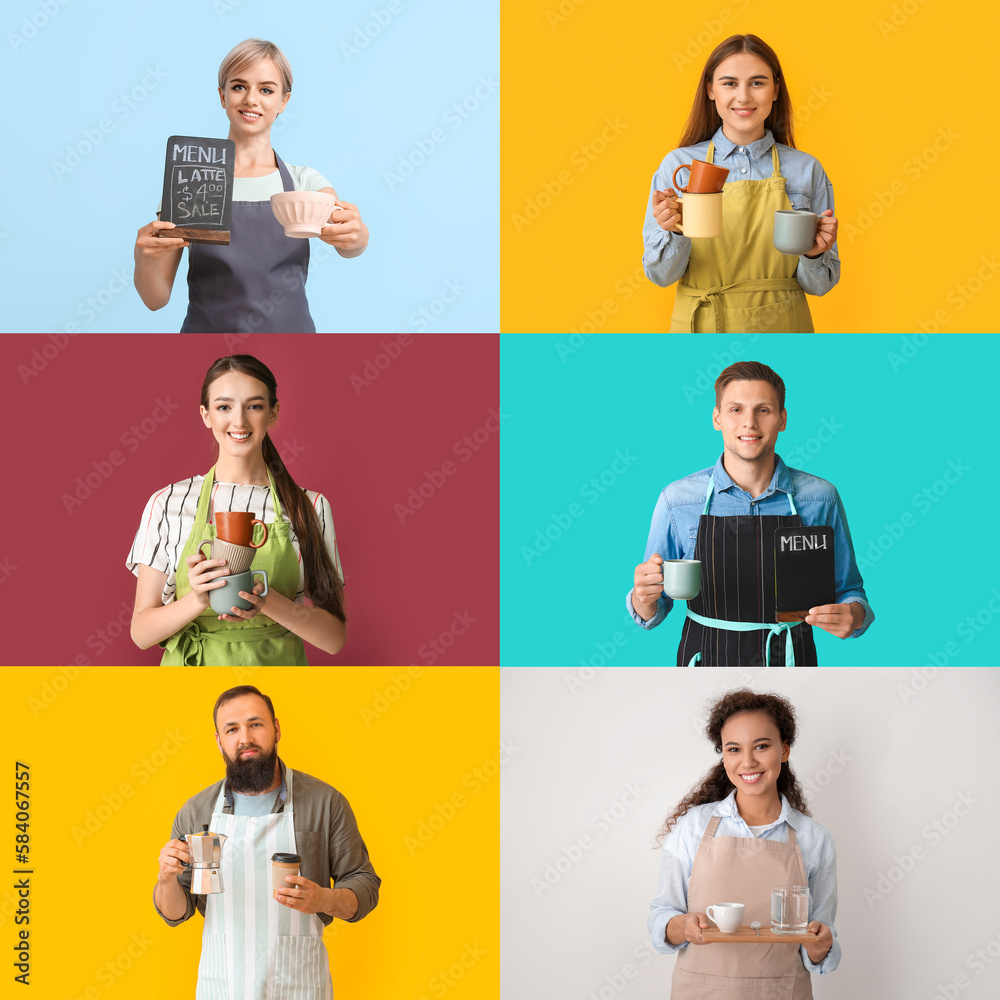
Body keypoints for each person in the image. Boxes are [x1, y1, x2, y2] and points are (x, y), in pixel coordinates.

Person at [628, 361, 872, 665]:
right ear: (717, 418)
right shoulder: (677, 501)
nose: (750, 423)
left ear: (782, 419)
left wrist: (854, 615)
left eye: (763, 410)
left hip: (792, 663)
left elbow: (850, 592)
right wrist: (643, 596)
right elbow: (653, 611)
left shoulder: (821, 499)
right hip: (704, 663)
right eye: (735, 410)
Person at [155, 685, 380, 999]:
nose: (245, 738)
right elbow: (177, 913)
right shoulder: (196, 812)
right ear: (219, 742)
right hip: (223, 985)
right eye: (231, 729)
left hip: (299, 986)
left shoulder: (325, 803)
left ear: (276, 729)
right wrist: (166, 880)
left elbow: (365, 886)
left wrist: (324, 899)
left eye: (255, 724)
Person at [133, 38, 368, 333]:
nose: (251, 99)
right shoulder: (191, 180)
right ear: (222, 96)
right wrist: (144, 259)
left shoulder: (303, 181)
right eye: (238, 86)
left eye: (266, 89)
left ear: (284, 101)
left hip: (291, 349)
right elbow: (155, 298)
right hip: (208, 350)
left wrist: (357, 237)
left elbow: (344, 237)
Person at [127, 354, 346, 665]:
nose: (239, 422)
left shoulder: (309, 507)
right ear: (206, 415)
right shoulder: (167, 503)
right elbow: (141, 632)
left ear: (273, 412)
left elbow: (334, 638)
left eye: (254, 406)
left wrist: (265, 599)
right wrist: (196, 600)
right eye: (224, 407)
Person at [649, 689, 839, 998]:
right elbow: (662, 916)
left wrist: (821, 944)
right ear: (723, 755)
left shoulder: (814, 838)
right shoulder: (693, 826)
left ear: (785, 750)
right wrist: (681, 927)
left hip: (781, 991)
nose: (747, 762)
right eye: (734, 749)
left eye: (761, 746)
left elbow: (818, 945)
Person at [642, 34, 839, 332]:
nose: (744, 97)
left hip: (783, 328)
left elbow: (821, 285)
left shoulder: (806, 168)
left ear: (775, 90)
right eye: (729, 83)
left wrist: (814, 254)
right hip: (702, 327)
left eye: (757, 83)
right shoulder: (678, 166)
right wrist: (675, 231)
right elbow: (660, 276)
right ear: (710, 90)